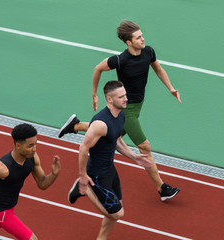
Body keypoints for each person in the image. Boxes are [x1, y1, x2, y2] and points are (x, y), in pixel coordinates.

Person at [59, 20, 181, 201]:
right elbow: (98, 68)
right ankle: (162, 188)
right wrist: (94, 94)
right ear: (129, 43)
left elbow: (158, 69)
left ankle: (76, 125)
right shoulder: (120, 60)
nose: (142, 39)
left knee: (110, 131)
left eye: (142, 35)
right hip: (127, 108)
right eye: (138, 37)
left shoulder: (149, 51)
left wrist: (170, 87)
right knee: (144, 146)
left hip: (138, 105)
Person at [68, 81, 152, 240]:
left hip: (109, 170)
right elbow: (83, 148)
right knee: (118, 213)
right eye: (121, 97)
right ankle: (85, 189)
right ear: (109, 99)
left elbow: (117, 140)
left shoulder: (120, 115)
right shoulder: (100, 124)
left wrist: (134, 157)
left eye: (125, 95)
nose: (126, 99)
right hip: (97, 174)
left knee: (115, 208)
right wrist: (83, 176)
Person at [0, 123, 61, 240]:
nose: (34, 148)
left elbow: (42, 184)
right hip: (0, 212)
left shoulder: (32, 158)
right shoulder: (3, 169)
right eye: (30, 146)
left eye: (35, 144)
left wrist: (54, 174)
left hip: (2, 206)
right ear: (18, 146)